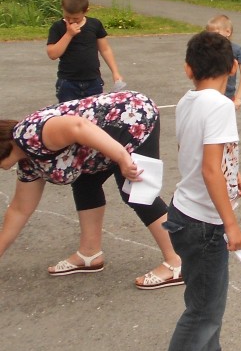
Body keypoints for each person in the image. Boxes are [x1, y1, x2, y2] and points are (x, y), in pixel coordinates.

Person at [0, 90, 183, 290]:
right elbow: (19, 210)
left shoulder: (31, 134)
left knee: (137, 192)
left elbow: (79, 126)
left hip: (132, 118)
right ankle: (89, 253)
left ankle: (179, 261)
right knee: (85, 184)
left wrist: (122, 158)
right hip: (100, 142)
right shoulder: (28, 162)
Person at [154, 31, 241, 351]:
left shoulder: (188, 100)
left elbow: (195, 152)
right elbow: (209, 170)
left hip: (184, 214)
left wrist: (233, 173)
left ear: (188, 69)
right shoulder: (221, 105)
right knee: (203, 311)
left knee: (206, 301)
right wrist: (231, 224)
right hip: (205, 223)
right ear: (233, 67)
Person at [46, 0, 124, 103]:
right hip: (68, 83)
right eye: (67, 17)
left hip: (93, 81)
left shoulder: (95, 24)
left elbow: (105, 49)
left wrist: (115, 72)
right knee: (69, 113)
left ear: (86, 11)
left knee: (93, 112)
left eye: (76, 18)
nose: (71, 21)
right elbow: (52, 54)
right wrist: (68, 34)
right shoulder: (57, 27)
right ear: (62, 8)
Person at [206, 14, 241, 110]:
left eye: (215, 34)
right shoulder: (207, 49)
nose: (211, 38)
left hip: (228, 97)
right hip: (210, 96)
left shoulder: (236, 50)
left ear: (228, 32)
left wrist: (238, 97)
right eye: (209, 34)